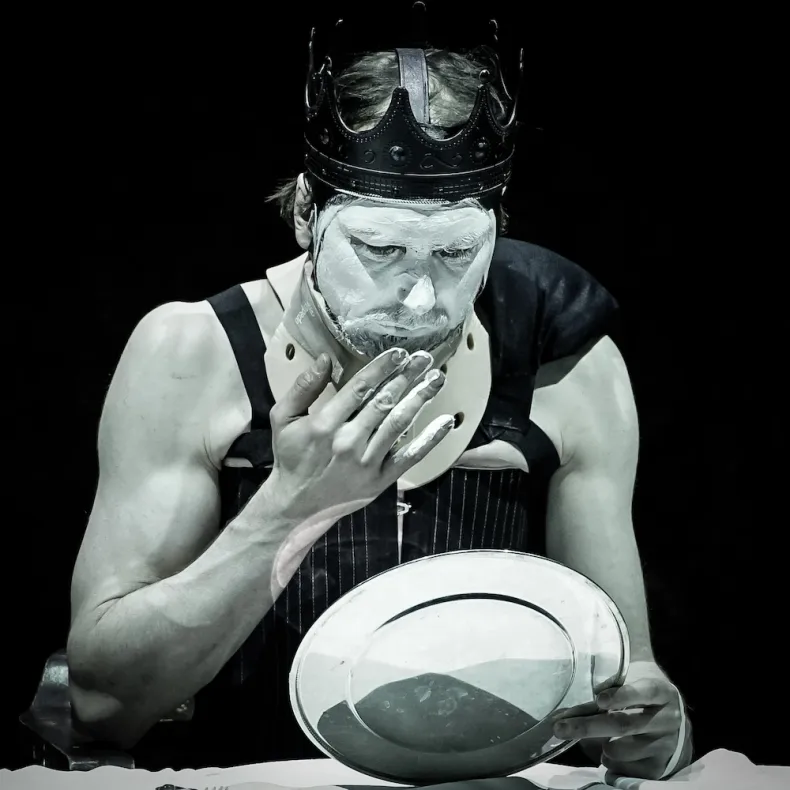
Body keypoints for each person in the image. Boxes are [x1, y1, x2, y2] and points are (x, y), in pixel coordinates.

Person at [65, 13, 692, 782]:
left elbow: (627, 699)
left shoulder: (569, 367)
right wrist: (289, 508)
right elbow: (102, 704)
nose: (422, 297)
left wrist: (653, 731)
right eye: (379, 249)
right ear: (307, 213)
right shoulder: (190, 355)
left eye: (456, 252)